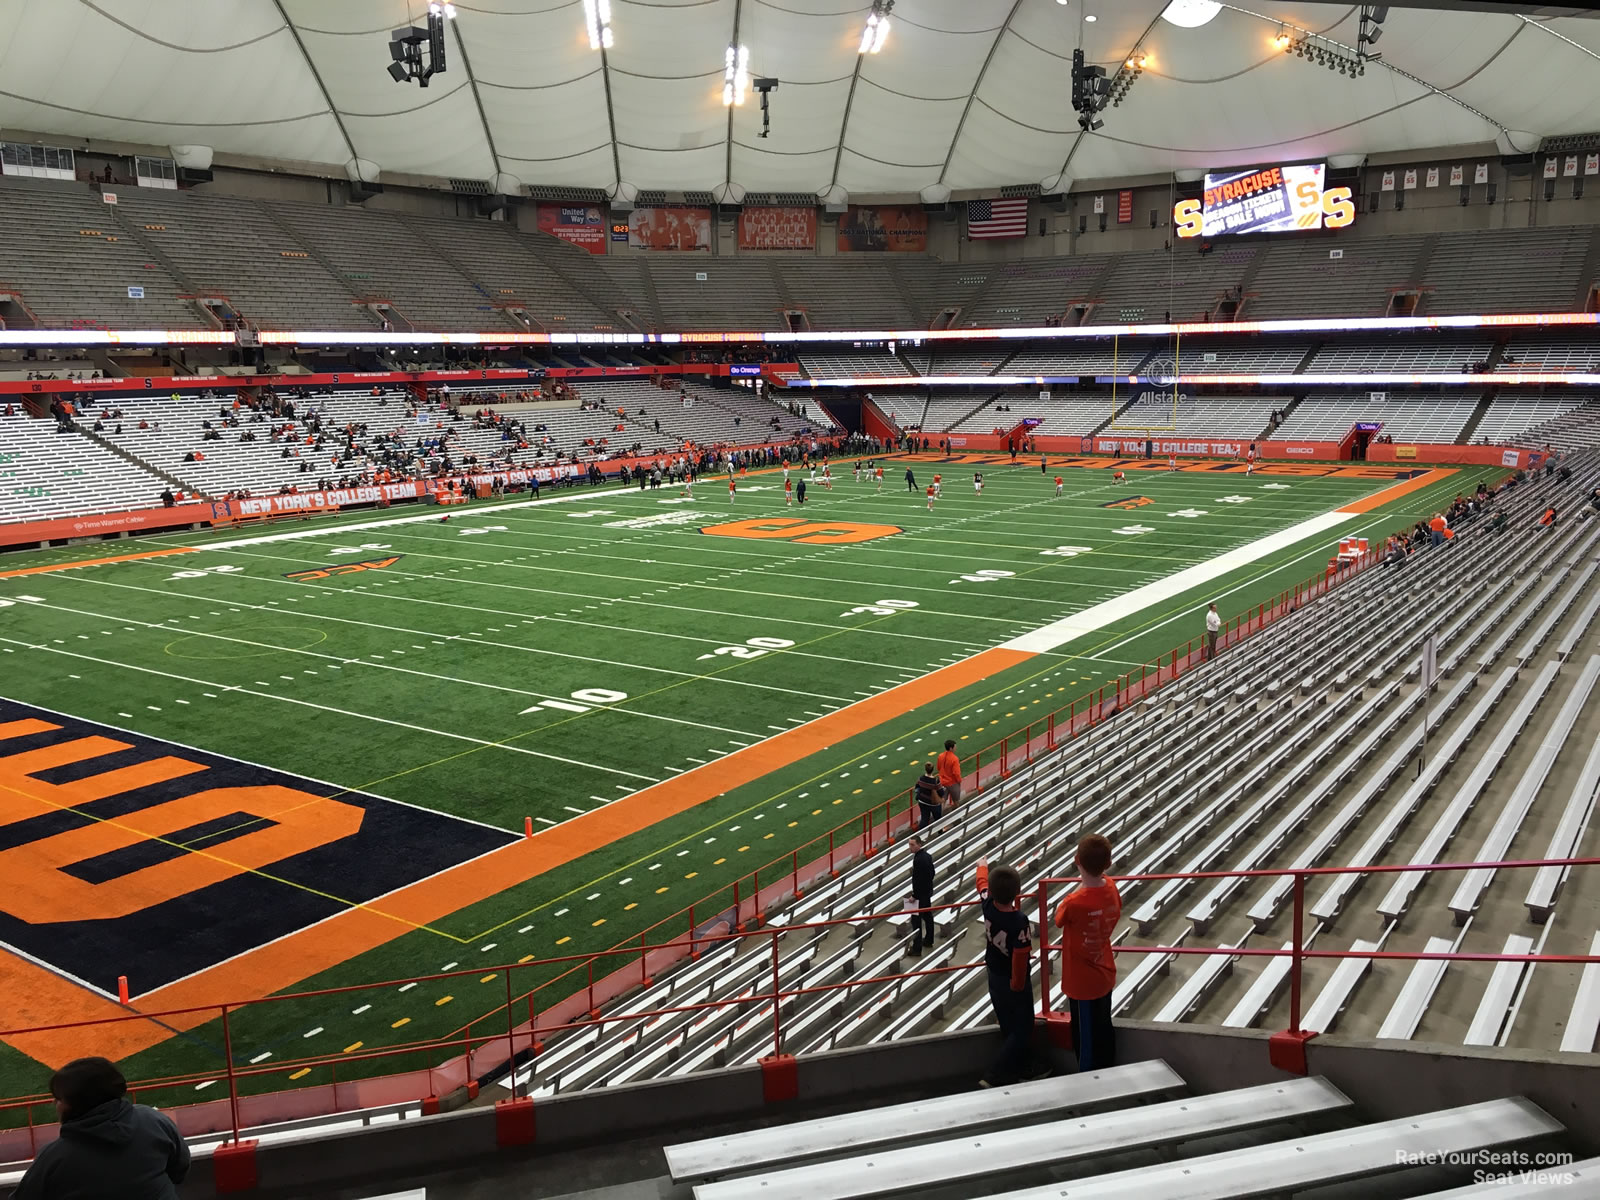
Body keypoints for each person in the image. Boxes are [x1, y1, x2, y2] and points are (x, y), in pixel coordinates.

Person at [16, 1057, 190, 1200]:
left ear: (75, 1106)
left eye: (59, 1098)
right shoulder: (153, 1120)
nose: (54, 1103)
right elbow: (180, 1168)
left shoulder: (55, 1156)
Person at [1052, 834, 1121, 1071]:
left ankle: (1088, 1081)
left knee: (1085, 1037)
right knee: (1104, 1027)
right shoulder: (1111, 887)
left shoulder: (1074, 901)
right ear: (1108, 864)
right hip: (1104, 971)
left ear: (1076, 860)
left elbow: (1058, 919)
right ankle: (1108, 1069)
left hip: (1081, 982)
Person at [977, 859, 1043, 1087]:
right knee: (1023, 1027)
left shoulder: (987, 905)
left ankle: (1022, 1068)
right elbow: (1020, 954)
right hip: (1013, 980)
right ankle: (994, 1073)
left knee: (1007, 1024)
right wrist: (1017, 982)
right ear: (1018, 892)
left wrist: (982, 866)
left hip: (994, 974)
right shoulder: (1018, 921)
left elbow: (981, 885)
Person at [908, 835, 936, 956]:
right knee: (927, 916)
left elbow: (919, 880)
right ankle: (929, 940)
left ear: (919, 844)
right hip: (926, 892)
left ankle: (916, 948)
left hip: (920, 895)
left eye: (912, 845)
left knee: (916, 921)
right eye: (909, 845)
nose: (910, 847)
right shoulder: (927, 856)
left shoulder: (919, 859)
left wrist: (914, 895)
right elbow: (932, 874)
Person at [937, 738, 963, 807]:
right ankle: (957, 815)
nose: (956, 748)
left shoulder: (940, 756)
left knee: (942, 801)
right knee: (956, 801)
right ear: (951, 748)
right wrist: (959, 781)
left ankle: (940, 816)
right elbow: (956, 773)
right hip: (953, 783)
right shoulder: (954, 759)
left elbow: (938, 767)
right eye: (955, 747)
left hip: (942, 781)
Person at [914, 762, 942, 828]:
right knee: (938, 819)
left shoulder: (921, 778)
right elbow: (941, 792)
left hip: (922, 801)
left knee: (924, 819)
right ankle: (940, 833)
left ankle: (921, 835)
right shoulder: (935, 781)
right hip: (933, 803)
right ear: (933, 769)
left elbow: (916, 788)